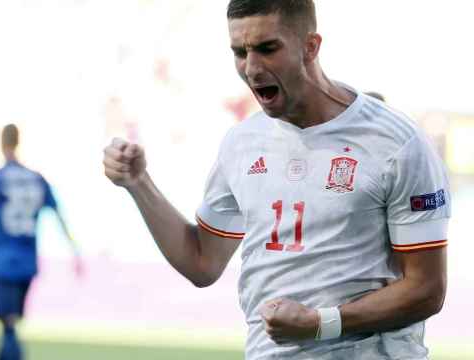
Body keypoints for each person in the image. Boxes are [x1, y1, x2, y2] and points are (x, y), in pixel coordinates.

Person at [102, 1, 449, 359]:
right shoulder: (242, 143)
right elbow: (201, 262)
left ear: (310, 46)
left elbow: (426, 289)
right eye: (240, 52)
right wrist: (138, 183)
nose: (251, 68)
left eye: (267, 49)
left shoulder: (396, 142)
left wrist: (321, 323)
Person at [0, 123, 83, 360]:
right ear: (18, 142)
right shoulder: (37, 179)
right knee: (10, 321)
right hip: (28, 262)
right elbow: (59, 214)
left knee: (7, 323)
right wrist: (74, 252)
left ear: (1, 143)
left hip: (3, 260)